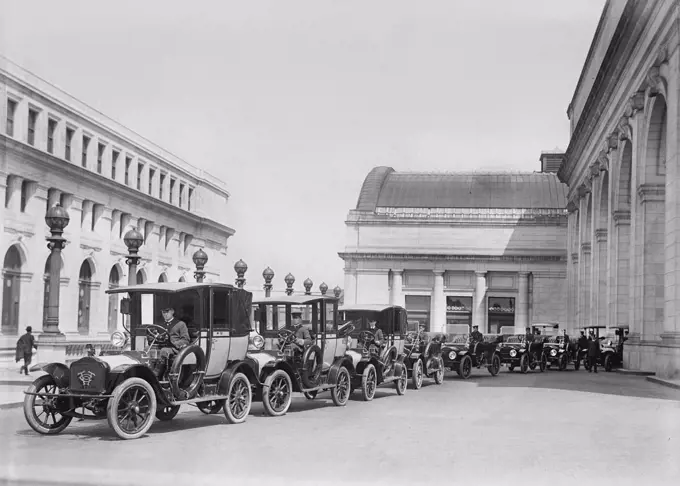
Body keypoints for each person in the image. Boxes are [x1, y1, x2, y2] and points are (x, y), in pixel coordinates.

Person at [154, 306, 191, 378]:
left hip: (175, 348)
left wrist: (174, 343)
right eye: (163, 312)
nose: (165, 314)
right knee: (147, 349)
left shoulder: (180, 324)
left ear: (172, 312)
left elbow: (186, 340)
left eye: (167, 312)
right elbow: (157, 336)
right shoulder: (161, 325)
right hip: (163, 346)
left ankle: (157, 374)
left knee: (163, 351)